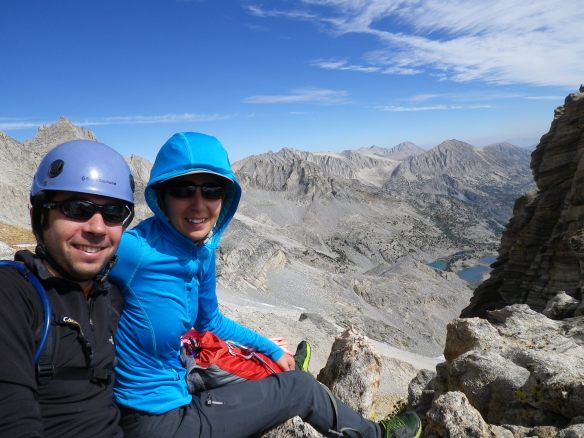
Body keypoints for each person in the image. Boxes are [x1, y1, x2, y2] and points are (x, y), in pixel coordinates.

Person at [111, 132, 422, 438]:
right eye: (182, 189)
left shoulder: (201, 251)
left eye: (212, 190)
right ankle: (377, 435)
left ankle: (274, 370)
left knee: (240, 363)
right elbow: (70, 261)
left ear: (225, 196)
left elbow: (210, 322)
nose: (198, 204)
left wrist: (271, 349)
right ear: (161, 195)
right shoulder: (133, 251)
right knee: (301, 388)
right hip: (156, 421)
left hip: (177, 391)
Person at [0, 140, 135, 437]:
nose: (98, 228)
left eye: (113, 213)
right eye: (77, 208)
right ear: (39, 214)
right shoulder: (13, 295)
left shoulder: (109, 296)